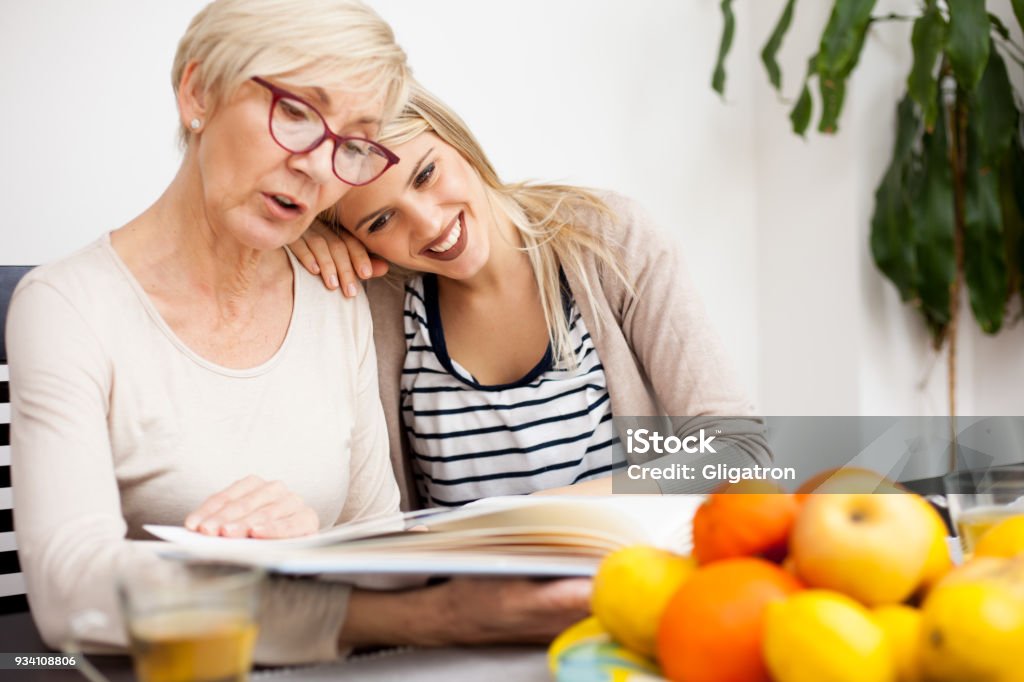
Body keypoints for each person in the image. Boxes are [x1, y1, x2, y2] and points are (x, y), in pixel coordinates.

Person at [7, 1, 587, 665]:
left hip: (654, 578)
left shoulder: (610, 239)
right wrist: (290, 562)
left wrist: (574, 511)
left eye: (352, 145)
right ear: (197, 91)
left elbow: (735, 454)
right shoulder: (70, 305)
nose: (319, 169)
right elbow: (67, 589)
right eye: (297, 114)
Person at [291, 84, 770, 510]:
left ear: (457, 140)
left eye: (426, 175)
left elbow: (737, 448)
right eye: (380, 221)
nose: (428, 223)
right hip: (469, 607)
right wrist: (292, 242)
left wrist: (550, 510)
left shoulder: (610, 241)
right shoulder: (374, 303)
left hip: (626, 590)